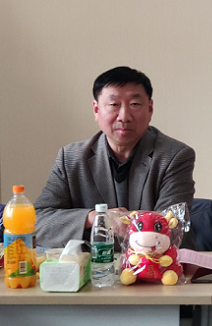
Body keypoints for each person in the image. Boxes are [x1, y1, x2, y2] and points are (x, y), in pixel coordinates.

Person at [35, 66, 196, 248]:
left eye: (135, 104)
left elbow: (171, 225)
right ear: (96, 110)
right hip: (92, 264)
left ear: (150, 109)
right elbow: (37, 221)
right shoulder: (71, 158)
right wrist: (96, 218)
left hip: (157, 262)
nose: (124, 116)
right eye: (114, 105)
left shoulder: (174, 156)